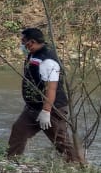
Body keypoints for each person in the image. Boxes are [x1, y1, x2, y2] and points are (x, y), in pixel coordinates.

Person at [7, 27, 83, 164]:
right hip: (33, 107)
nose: (21, 44)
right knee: (19, 130)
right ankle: (11, 162)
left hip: (52, 109)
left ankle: (79, 168)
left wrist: (46, 111)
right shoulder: (33, 54)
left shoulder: (48, 61)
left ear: (32, 42)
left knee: (61, 142)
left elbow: (51, 88)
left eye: (23, 41)